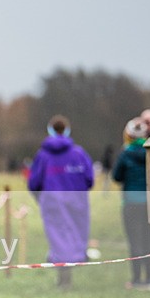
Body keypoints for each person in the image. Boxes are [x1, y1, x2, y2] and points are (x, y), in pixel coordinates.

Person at [28, 115, 94, 288]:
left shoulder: (42, 155)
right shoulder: (79, 153)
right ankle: (71, 269)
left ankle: (63, 276)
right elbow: (89, 178)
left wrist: (40, 198)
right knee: (74, 234)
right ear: (67, 130)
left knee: (58, 237)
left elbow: (34, 181)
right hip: (76, 202)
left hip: (52, 202)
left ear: (50, 129)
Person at [112, 118, 150, 289]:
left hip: (131, 203)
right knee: (149, 240)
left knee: (135, 241)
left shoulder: (125, 153)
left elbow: (116, 176)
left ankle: (137, 279)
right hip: (149, 202)